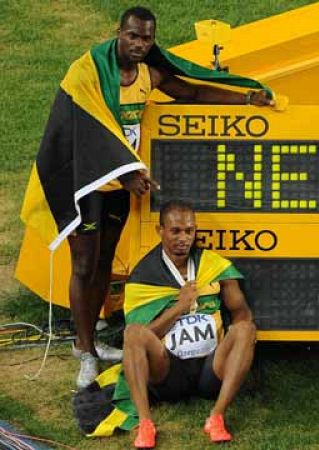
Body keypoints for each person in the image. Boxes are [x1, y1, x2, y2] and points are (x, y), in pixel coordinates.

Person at [20, 5, 271, 389]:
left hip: (120, 186)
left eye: (147, 38)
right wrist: (128, 171)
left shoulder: (147, 74)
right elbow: (84, 129)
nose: (139, 44)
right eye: (133, 36)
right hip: (87, 184)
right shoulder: (86, 72)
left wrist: (245, 100)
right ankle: (84, 350)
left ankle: (91, 338)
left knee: (104, 259)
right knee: (84, 263)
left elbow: (190, 90)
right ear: (118, 32)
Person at [121, 200, 255, 448]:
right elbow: (141, 338)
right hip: (168, 370)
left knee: (246, 328)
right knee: (132, 333)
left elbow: (241, 314)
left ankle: (216, 416)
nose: (183, 238)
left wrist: (234, 346)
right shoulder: (144, 276)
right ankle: (146, 423)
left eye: (189, 231)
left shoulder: (213, 267)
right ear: (160, 231)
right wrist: (180, 307)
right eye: (175, 231)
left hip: (210, 367)